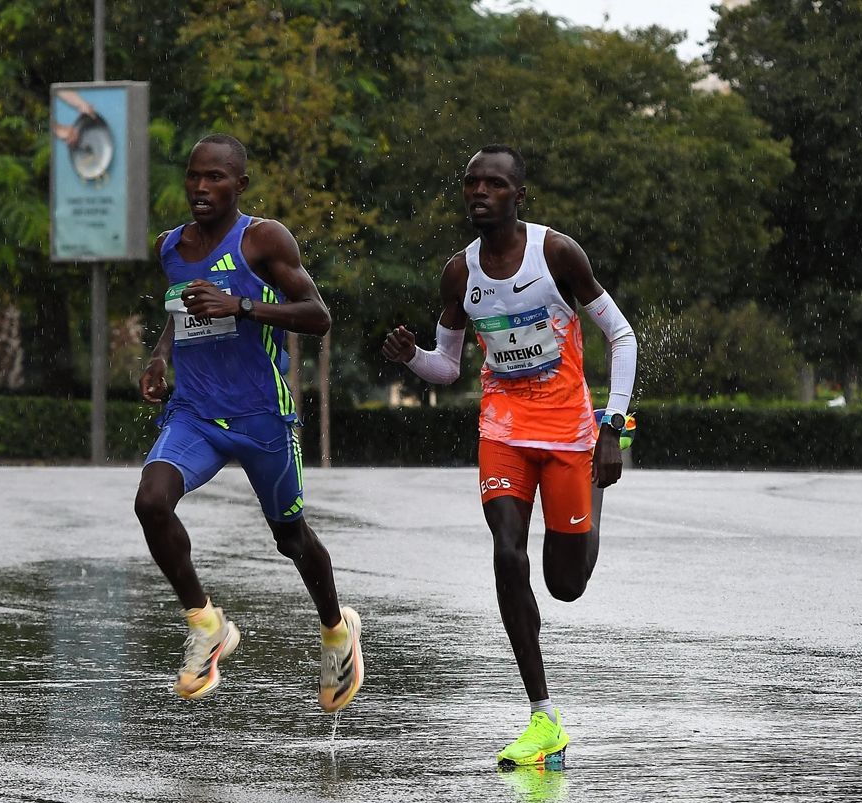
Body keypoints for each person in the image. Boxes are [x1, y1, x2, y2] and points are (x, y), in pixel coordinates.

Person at [382, 144, 637, 770]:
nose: (479, 193)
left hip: (571, 428)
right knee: (506, 552)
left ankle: (590, 495)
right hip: (503, 429)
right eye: (471, 183)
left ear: (518, 195)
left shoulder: (557, 254)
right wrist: (411, 357)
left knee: (565, 584)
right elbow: (447, 367)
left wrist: (613, 428)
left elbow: (622, 336)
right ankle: (542, 714)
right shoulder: (457, 274)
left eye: (493, 184)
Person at [135, 134, 364, 712]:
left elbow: (318, 316)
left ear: (240, 185)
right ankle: (206, 624)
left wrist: (242, 306)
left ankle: (337, 631)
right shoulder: (169, 247)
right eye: (193, 177)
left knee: (290, 537)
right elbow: (178, 310)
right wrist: (160, 357)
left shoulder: (263, 238)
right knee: (151, 501)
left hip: (262, 413)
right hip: (193, 411)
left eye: (215, 178)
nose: (201, 188)